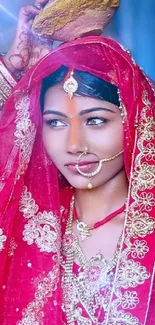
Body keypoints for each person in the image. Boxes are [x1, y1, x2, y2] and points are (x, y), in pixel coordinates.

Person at [0, 33, 155, 325]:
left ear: (137, 118)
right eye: (55, 122)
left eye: (95, 120)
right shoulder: (27, 218)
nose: (73, 145)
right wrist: (13, 68)